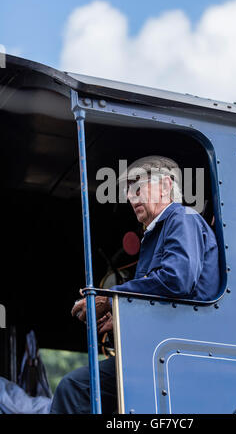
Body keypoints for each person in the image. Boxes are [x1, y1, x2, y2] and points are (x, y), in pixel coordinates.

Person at [50, 156, 220, 414]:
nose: (130, 197)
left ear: (165, 186)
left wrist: (109, 298)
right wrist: (121, 316)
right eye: (128, 191)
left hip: (181, 353)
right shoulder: (157, 232)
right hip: (160, 349)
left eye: (137, 188)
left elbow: (177, 280)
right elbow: (158, 296)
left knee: (75, 388)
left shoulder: (181, 218)